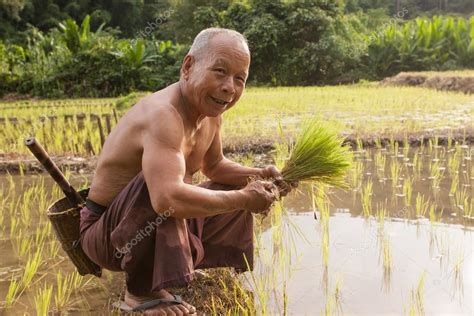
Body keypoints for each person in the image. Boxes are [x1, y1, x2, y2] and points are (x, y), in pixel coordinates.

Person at [79, 27, 294, 315]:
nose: (230, 87)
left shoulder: (210, 114)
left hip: (149, 221)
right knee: (161, 186)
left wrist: (261, 175)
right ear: (188, 66)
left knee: (234, 186)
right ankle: (139, 293)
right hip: (109, 235)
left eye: (240, 79)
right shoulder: (163, 115)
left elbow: (214, 167)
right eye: (220, 71)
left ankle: (183, 266)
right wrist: (245, 198)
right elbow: (166, 200)